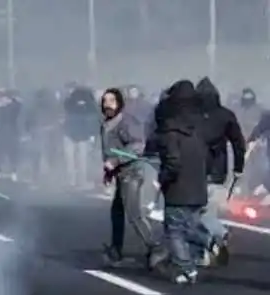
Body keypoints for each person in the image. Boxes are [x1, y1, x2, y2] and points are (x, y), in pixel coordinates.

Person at [152, 80, 210, 284]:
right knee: (191, 227)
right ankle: (195, 258)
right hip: (198, 186)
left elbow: (173, 162)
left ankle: (188, 268)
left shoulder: (170, 133)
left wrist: (163, 178)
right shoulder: (199, 128)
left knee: (175, 230)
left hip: (178, 189)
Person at [99, 87, 161, 266]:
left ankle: (155, 247)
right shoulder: (106, 123)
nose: (107, 105)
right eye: (105, 101)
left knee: (134, 213)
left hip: (132, 172)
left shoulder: (125, 121)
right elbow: (108, 151)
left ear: (119, 103)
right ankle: (115, 249)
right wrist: (109, 171)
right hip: (121, 173)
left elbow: (138, 145)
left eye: (111, 101)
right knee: (116, 211)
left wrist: (116, 160)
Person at [195, 77, 246, 266]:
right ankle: (214, 239)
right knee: (208, 210)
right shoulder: (226, 115)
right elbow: (238, 143)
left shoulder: (192, 116)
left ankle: (212, 241)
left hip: (195, 170)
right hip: (218, 171)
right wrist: (238, 168)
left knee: (195, 212)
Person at [62, 85, 100, 188]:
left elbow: (65, 117)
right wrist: (92, 135)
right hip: (83, 135)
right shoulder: (91, 106)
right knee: (82, 160)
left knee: (71, 159)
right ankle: (80, 181)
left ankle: (72, 181)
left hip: (70, 134)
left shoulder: (69, 103)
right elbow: (94, 122)